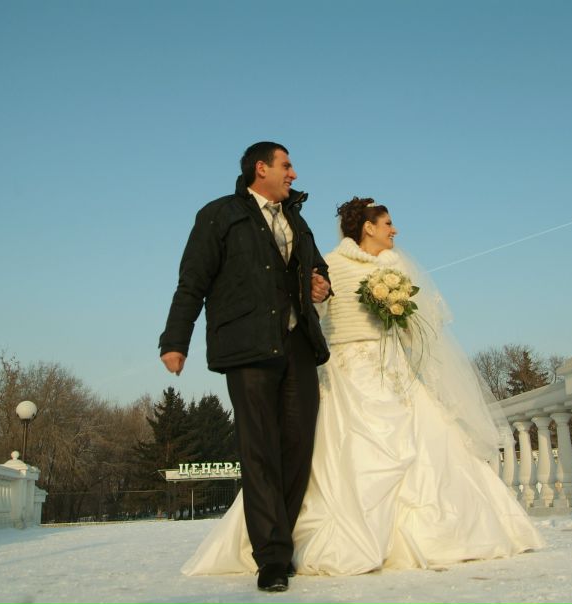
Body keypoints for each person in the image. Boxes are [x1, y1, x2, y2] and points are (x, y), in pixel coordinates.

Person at [181, 196, 543, 578]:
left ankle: (448, 531)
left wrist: (403, 315)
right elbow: (313, 312)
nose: (394, 230)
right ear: (368, 227)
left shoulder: (396, 266)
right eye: (387, 223)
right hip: (347, 369)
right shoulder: (331, 264)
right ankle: (282, 540)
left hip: (394, 369)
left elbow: (420, 324)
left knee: (426, 439)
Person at [159, 142, 332, 592]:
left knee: (297, 446)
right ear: (261, 168)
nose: (293, 173)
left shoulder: (297, 219)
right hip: (248, 346)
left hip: (298, 345)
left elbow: (317, 267)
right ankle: (272, 558)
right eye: (286, 165)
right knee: (259, 451)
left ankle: (281, 540)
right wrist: (175, 341)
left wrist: (320, 283)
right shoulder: (220, 214)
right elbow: (192, 280)